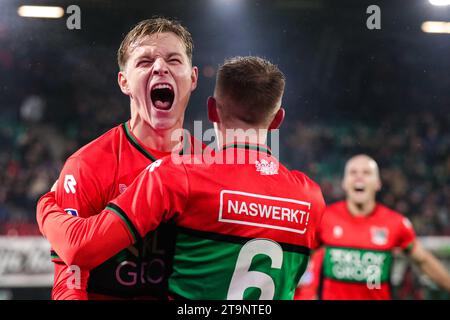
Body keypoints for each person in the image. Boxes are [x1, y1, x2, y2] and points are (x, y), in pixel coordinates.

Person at [37, 56, 326, 299]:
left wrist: (47, 204)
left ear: (212, 110)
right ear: (278, 120)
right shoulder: (311, 197)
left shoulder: (180, 174)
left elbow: (81, 248)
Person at [42, 17, 204, 300]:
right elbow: (70, 279)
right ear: (124, 82)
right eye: (144, 62)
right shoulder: (87, 165)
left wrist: (44, 208)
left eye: (173, 60)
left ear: (192, 79)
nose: (160, 67)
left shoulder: (214, 165)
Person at [295, 154, 450, 300]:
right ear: (343, 183)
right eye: (353, 172)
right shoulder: (324, 219)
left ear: (378, 184)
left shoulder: (395, 223)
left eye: (367, 172)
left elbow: (423, 260)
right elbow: (304, 262)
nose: (359, 176)